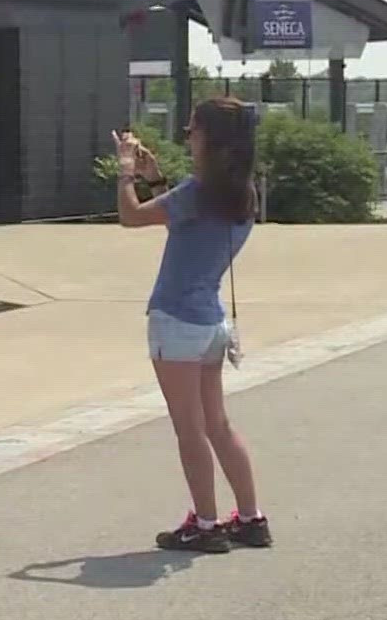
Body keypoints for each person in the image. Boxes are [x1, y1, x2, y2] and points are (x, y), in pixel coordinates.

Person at [114, 97, 272, 554]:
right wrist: (155, 177)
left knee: (190, 430)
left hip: (176, 321)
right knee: (217, 424)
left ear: (211, 139)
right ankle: (249, 518)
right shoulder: (240, 192)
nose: (188, 137)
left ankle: (204, 525)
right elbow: (186, 227)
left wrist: (126, 171)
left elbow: (131, 216)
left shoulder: (197, 192)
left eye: (192, 130)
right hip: (210, 323)